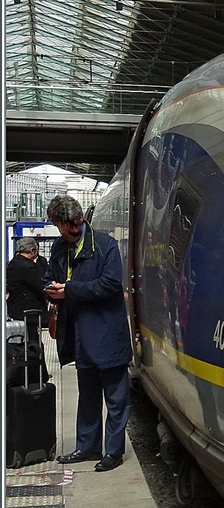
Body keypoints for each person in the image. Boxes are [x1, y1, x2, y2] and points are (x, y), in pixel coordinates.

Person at [44, 195, 132, 472]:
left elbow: (110, 284)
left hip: (107, 333)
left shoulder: (105, 246)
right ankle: (88, 446)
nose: (70, 231)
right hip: (79, 335)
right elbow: (49, 277)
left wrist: (69, 290)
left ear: (81, 218)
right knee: (88, 396)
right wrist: (50, 289)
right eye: (64, 226)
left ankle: (113, 452)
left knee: (116, 399)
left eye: (74, 224)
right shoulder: (60, 248)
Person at [6, 237, 49, 323]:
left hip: (15, 308)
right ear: (32, 251)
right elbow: (40, 286)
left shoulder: (12, 263)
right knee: (31, 335)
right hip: (30, 311)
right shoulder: (28, 266)